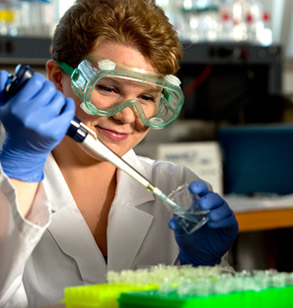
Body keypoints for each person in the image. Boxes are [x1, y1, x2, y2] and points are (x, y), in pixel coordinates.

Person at [0, 0, 238, 307]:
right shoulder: (11, 185)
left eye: (147, 97)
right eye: (109, 89)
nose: (127, 116)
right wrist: (17, 171)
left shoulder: (177, 190)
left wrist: (200, 272)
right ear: (59, 78)